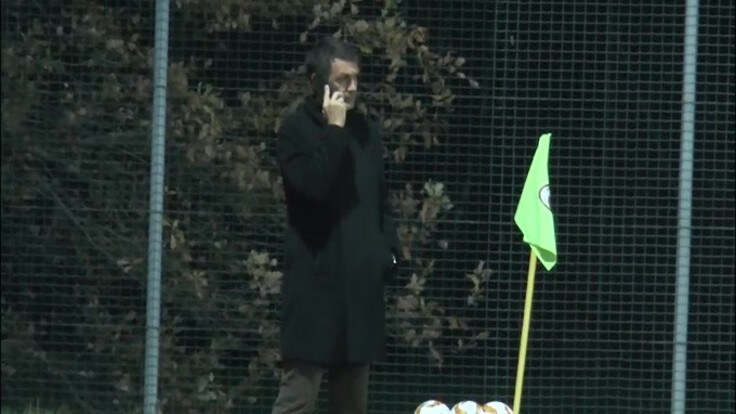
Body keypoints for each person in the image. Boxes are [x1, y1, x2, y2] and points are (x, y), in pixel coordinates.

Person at [271, 36, 401, 414]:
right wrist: (335, 130)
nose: (353, 87)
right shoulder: (296, 130)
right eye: (343, 80)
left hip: (359, 290)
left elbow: (379, 199)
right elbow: (315, 187)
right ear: (317, 82)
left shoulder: (366, 130)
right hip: (314, 287)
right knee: (297, 400)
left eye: (356, 78)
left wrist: (388, 254)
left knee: (352, 404)